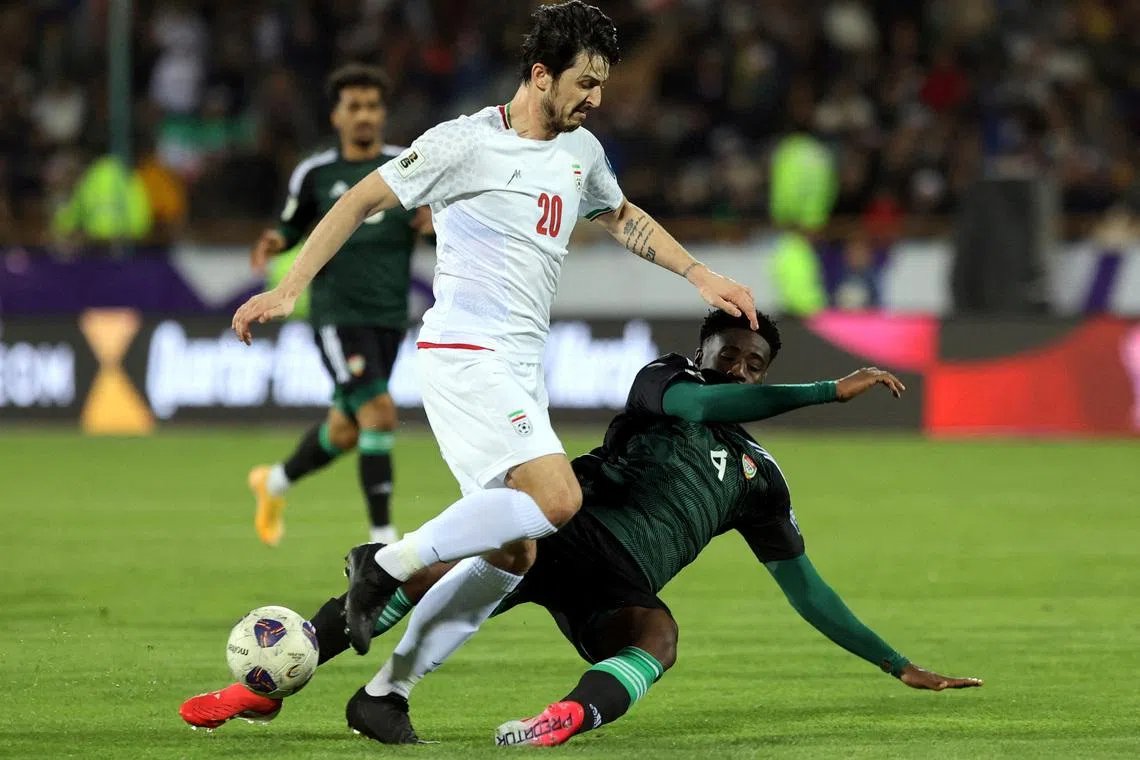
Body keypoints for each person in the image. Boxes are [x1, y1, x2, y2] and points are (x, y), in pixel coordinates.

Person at [230, 0, 757, 705]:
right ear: (541, 76)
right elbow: (357, 201)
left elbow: (622, 215)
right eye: (585, 84)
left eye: (601, 85)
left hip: (518, 368)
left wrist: (698, 273)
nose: (597, 100)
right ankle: (383, 563)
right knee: (557, 498)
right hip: (463, 353)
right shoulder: (463, 144)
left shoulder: (581, 152)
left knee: (515, 550)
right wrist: (291, 286)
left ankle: (387, 694)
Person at [182, 310, 983, 743]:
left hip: (616, 583)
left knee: (658, 640)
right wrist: (826, 392)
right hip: (569, 525)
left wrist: (894, 662)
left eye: (753, 363)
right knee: (425, 575)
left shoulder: (760, 479)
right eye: (728, 352)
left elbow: (805, 587)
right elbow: (707, 404)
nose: (740, 367)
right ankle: (267, 682)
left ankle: (561, 719)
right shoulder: (665, 385)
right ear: (700, 350)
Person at [245, 64, 432, 547]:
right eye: (355, 107)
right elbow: (292, 226)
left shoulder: (410, 166)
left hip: (390, 317)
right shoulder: (316, 174)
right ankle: (383, 542)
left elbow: (435, 221)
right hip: (336, 315)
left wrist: (435, 224)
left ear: (383, 113)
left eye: (372, 106)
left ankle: (274, 482)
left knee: (347, 431)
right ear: (337, 116)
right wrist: (275, 239)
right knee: (379, 413)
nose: (365, 115)